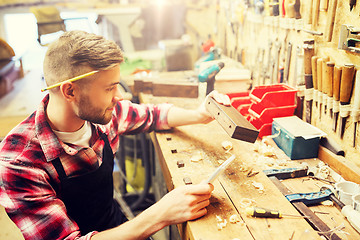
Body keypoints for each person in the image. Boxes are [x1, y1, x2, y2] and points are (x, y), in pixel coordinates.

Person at [0, 30, 230, 240]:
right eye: (109, 88)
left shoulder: (102, 115)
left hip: (116, 227)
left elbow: (154, 114)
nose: (119, 97)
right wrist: (160, 215)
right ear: (70, 90)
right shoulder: (19, 163)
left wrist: (200, 114)